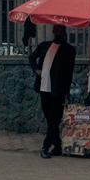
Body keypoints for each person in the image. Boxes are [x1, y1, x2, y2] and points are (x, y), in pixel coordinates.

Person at [28, 24, 76, 159]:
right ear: (53, 31)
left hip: (58, 90)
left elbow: (69, 73)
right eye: (56, 30)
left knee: (54, 120)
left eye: (60, 30)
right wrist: (36, 70)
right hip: (43, 88)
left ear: (64, 32)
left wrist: (66, 91)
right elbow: (31, 57)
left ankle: (45, 147)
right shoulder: (44, 46)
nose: (58, 32)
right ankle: (58, 146)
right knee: (51, 120)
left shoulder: (69, 50)